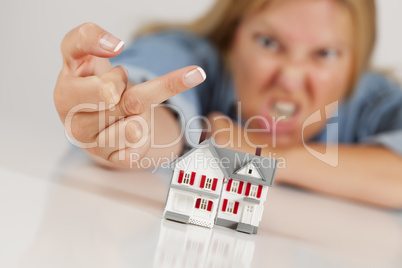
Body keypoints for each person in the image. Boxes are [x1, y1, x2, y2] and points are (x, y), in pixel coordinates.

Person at [54, 0, 402, 208]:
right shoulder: (193, 57)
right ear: (232, 37)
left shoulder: (374, 100)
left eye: (325, 53)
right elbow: (152, 105)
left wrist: (258, 154)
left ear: (355, 64)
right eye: (268, 42)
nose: (292, 78)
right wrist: (124, 121)